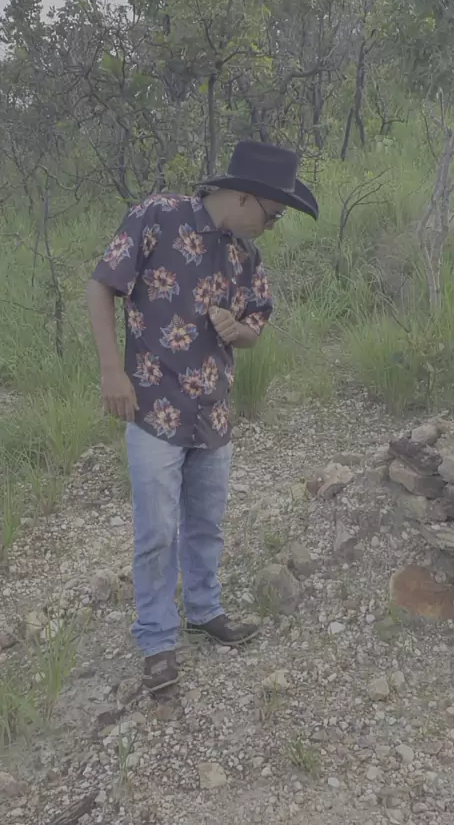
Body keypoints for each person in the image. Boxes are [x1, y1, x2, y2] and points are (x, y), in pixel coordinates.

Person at [87, 140, 318, 693]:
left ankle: (204, 610)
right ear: (243, 196)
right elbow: (102, 285)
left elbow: (257, 322)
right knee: (156, 532)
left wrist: (241, 331)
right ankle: (157, 641)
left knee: (206, 525)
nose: (273, 225)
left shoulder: (246, 256)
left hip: (213, 414)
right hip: (152, 409)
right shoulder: (158, 216)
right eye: (273, 214)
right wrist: (111, 371)